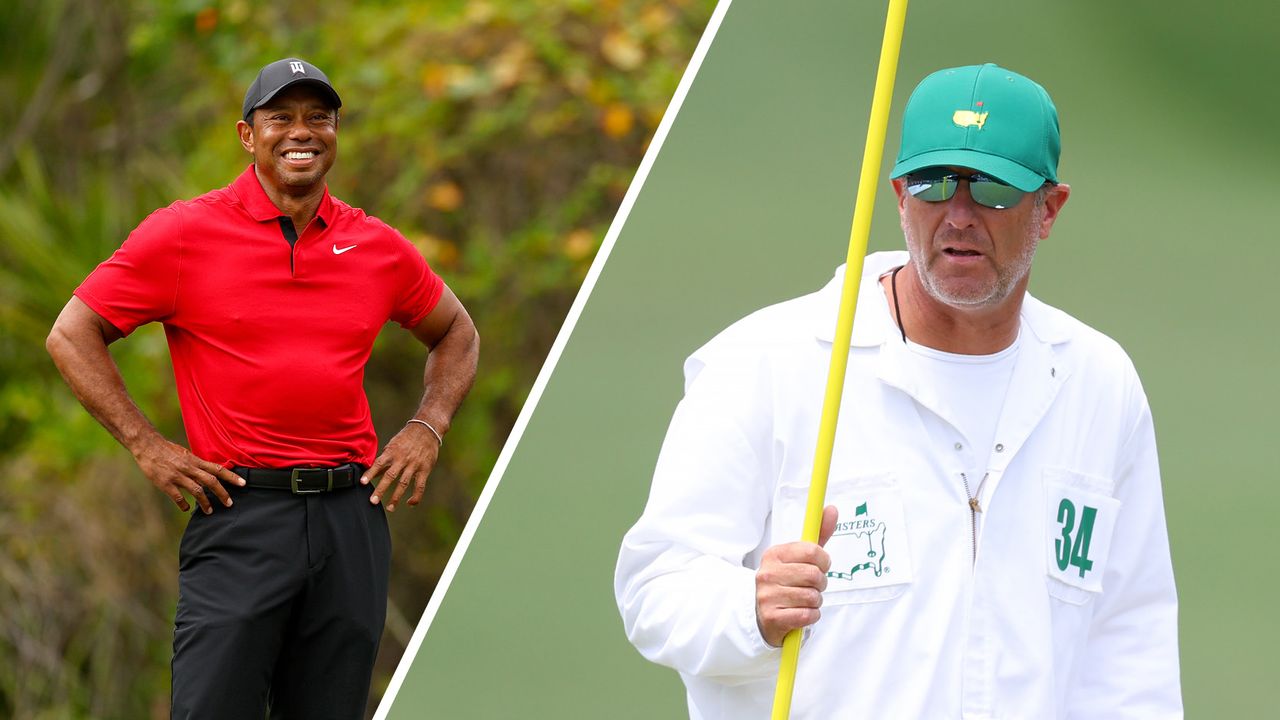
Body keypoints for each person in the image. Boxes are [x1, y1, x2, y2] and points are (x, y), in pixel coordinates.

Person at [614, 63, 1181, 718]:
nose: (959, 215)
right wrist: (749, 608)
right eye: (934, 183)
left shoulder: (1099, 382)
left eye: (993, 190)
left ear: (1048, 209)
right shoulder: (763, 363)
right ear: (899, 196)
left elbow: (1130, 638)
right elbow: (655, 587)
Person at [45, 58, 479, 719]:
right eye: (281, 118)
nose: (301, 132)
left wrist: (428, 425)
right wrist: (148, 445)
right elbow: (72, 333)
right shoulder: (184, 232)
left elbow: (457, 333)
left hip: (351, 518)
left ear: (336, 131)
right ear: (248, 135)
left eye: (318, 118)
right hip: (243, 513)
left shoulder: (377, 245)